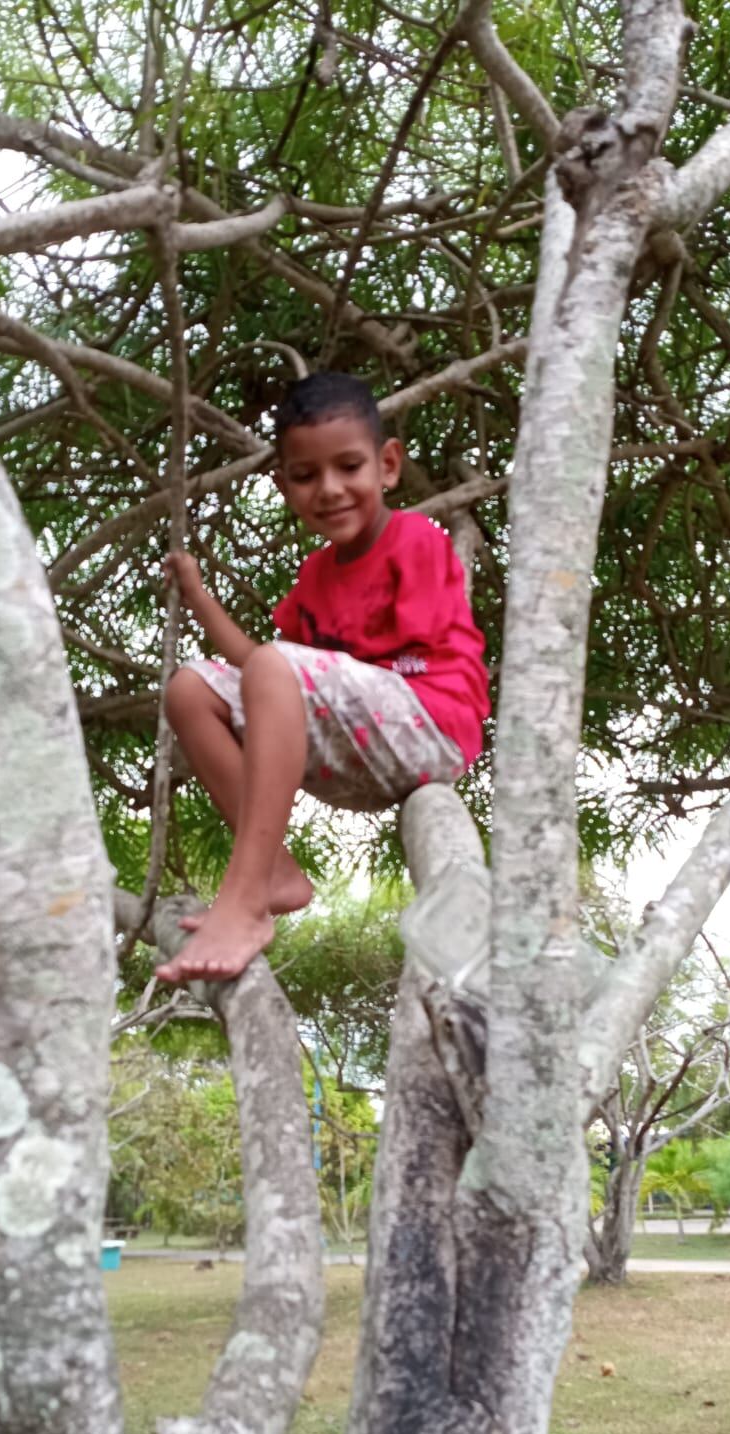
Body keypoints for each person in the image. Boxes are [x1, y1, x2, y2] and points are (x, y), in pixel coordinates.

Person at [154, 371, 489, 984]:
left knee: (280, 666)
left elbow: (295, 670)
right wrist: (198, 596)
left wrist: (295, 672)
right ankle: (276, 870)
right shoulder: (316, 577)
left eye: (349, 467)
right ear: (284, 486)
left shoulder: (415, 541)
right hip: (353, 753)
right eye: (306, 476)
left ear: (388, 466)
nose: (329, 490)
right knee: (190, 689)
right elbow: (261, 668)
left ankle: (245, 896)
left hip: (429, 729)